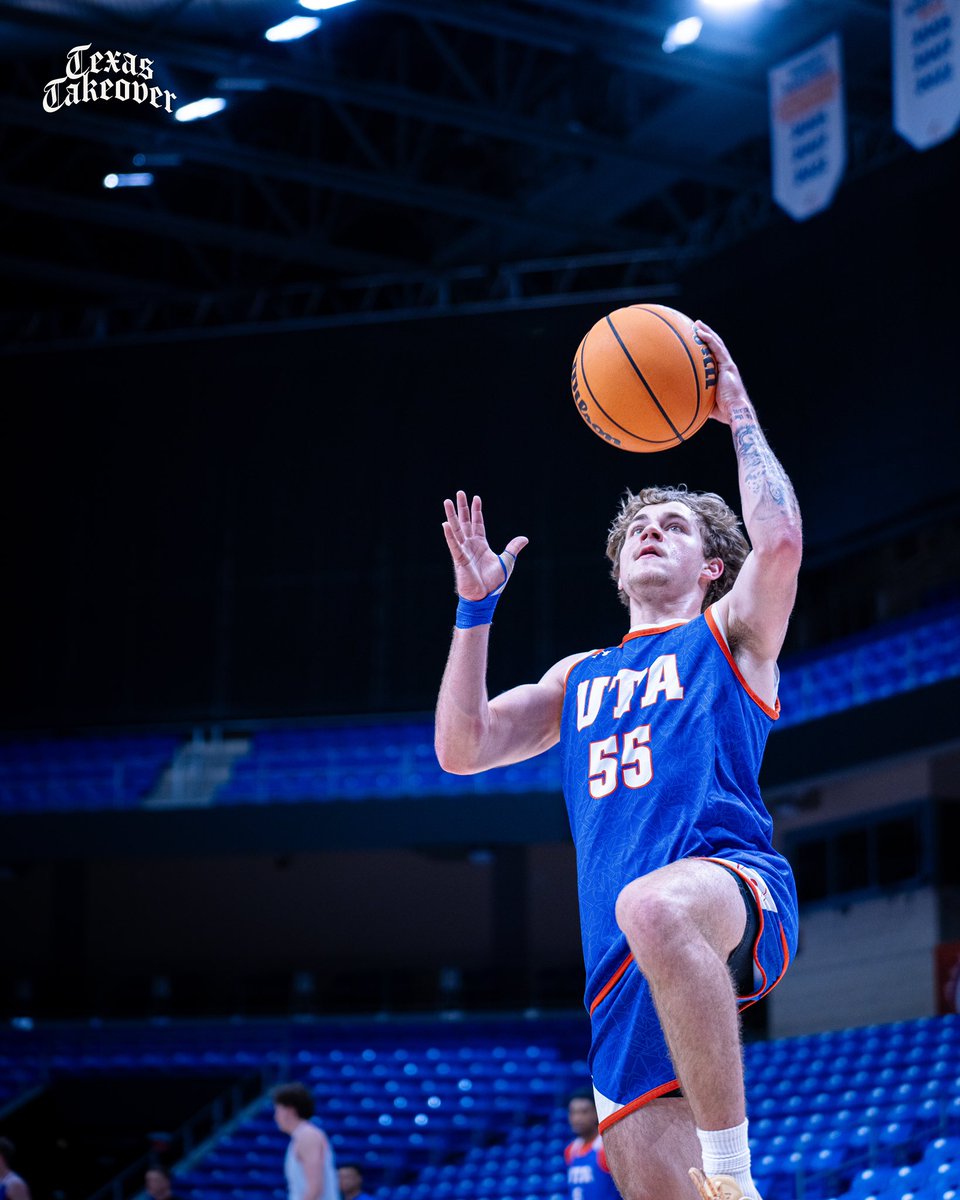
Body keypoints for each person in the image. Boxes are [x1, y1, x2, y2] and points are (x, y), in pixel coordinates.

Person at [434, 320, 802, 1200]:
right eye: (637, 525)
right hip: (619, 965)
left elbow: (780, 542)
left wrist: (739, 414)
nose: (649, 531)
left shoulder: (732, 636)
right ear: (615, 566)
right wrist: (474, 611)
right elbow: (463, 747)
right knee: (645, 1181)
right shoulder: (581, 678)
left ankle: (733, 1176)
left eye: (672, 525)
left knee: (656, 903)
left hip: (728, 884)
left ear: (712, 565)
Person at [271, 1082, 338, 1200]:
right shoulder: (301, 1136)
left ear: (289, 1110)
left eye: (278, 1110)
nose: (275, 1116)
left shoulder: (308, 1136)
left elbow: (315, 1188)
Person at [565, 1090, 619, 1200]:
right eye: (573, 1112)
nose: (577, 1118)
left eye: (584, 1112)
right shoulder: (570, 1150)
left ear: (596, 1113)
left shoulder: (606, 1148)